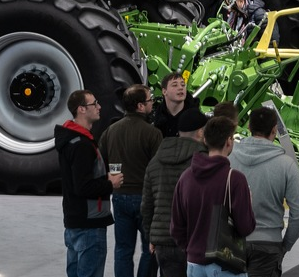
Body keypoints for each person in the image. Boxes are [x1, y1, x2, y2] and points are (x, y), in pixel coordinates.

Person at [171, 117, 257, 277]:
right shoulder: (235, 179)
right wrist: (248, 205)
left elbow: (176, 228)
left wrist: (192, 249)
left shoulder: (186, 177)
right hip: (226, 263)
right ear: (229, 141)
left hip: (194, 264)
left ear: (205, 139)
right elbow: (246, 227)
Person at [228, 107, 299, 277]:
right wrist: (284, 246)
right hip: (268, 244)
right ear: (274, 130)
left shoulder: (229, 158)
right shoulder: (286, 164)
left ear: (249, 127)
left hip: (232, 241)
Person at [57, 90, 124, 277]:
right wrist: (110, 183)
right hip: (89, 224)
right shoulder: (81, 145)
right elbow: (83, 186)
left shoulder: (70, 139)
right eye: (95, 103)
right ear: (81, 109)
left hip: (75, 220)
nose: (99, 106)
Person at [99, 84, 163, 277]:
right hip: (145, 198)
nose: (152, 103)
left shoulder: (110, 131)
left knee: (123, 250)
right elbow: (159, 169)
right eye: (150, 100)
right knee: (149, 249)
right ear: (140, 106)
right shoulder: (153, 133)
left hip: (119, 197)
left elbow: (101, 162)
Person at [142, 105, 209, 277]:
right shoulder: (203, 161)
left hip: (162, 241)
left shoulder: (156, 160)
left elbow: (147, 205)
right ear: (201, 132)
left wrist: (151, 236)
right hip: (194, 240)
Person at [152, 72, 190, 137]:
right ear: (164, 91)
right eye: (175, 85)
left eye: (183, 85)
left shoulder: (194, 118)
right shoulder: (156, 118)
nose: (181, 88)